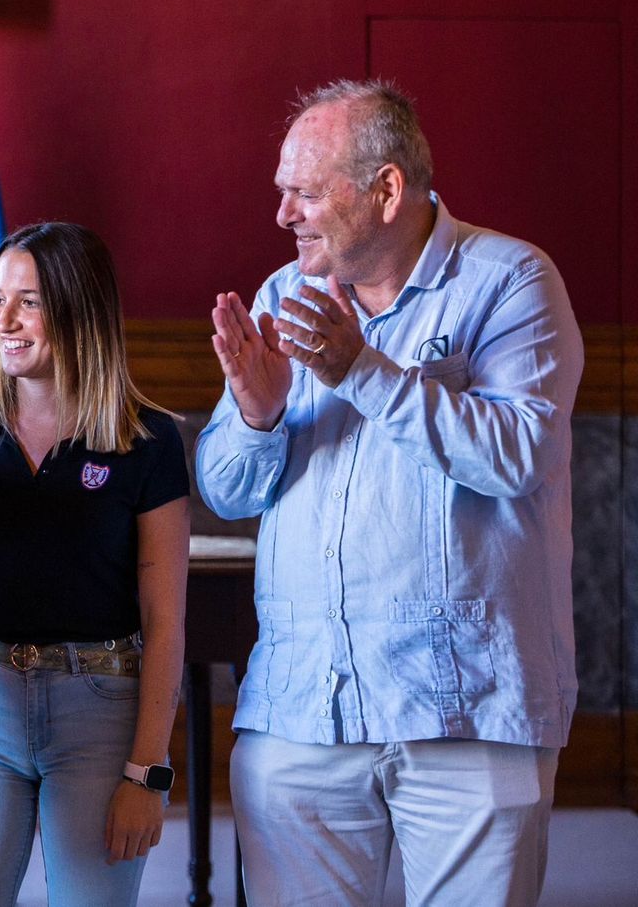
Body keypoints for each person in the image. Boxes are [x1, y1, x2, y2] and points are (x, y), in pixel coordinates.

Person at [196, 79, 582, 905]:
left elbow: (519, 455)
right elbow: (227, 490)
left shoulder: (510, 281)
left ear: (386, 190)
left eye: (303, 191)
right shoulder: (280, 297)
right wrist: (258, 417)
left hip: (467, 710)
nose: (283, 214)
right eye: (281, 192)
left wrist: (361, 371)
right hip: (303, 710)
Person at [0, 221, 190, 907]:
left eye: (29, 301)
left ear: (80, 310)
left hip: (102, 708)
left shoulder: (148, 441)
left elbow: (165, 621)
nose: (3, 320)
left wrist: (147, 772)